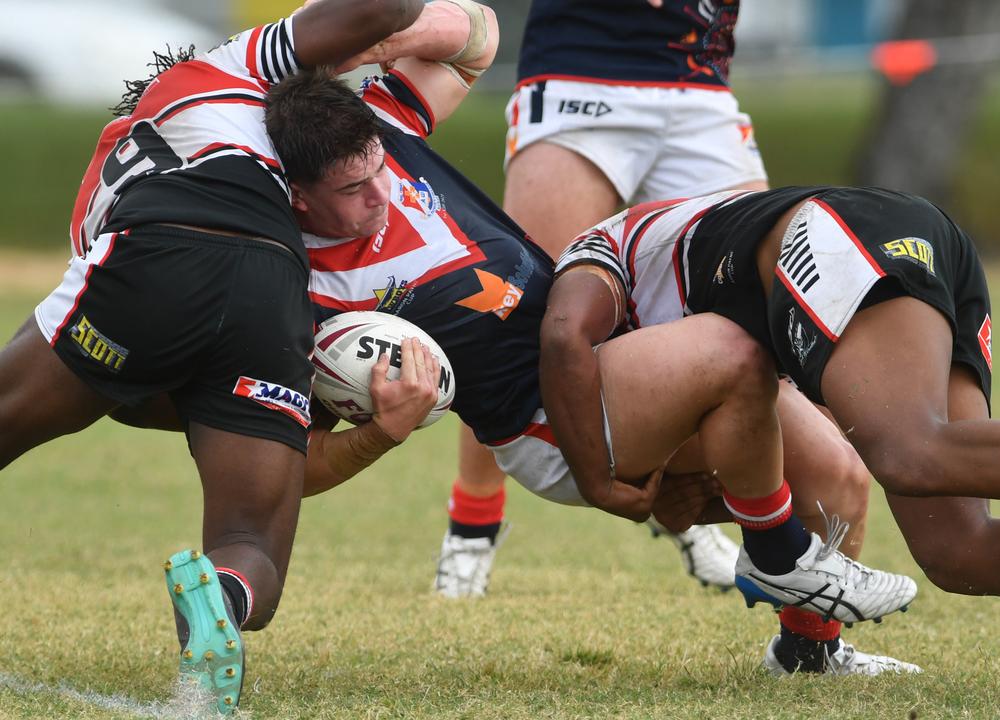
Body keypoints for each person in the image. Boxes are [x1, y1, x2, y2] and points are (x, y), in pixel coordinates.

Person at [265, 26, 917, 674]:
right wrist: (381, 433)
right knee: (731, 348)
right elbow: (292, 469)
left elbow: (477, 36)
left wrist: (374, 42)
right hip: (543, 418)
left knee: (839, 478)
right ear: (298, 197)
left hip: (615, 347)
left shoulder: (381, 128)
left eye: (380, 171)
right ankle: (774, 552)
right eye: (353, 191)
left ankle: (808, 650)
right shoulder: (302, 292)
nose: (383, 195)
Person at [538, 186, 1000, 701]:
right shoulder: (694, 363)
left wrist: (597, 480)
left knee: (911, 451)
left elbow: (563, 333)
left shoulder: (589, 260)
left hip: (844, 232)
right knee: (956, 544)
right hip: (898, 244)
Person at [0, 1, 488, 714]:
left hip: (156, 252)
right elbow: (387, 8)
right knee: (248, 538)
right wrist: (382, 35)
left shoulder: (196, 100)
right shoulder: (246, 89)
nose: (378, 198)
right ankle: (223, 599)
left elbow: (125, 388)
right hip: (270, 287)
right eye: (354, 189)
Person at [438, 0, 801, 598]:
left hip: (700, 87)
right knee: (517, 314)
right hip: (582, 75)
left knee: (757, 315)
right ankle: (470, 531)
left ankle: (689, 510)